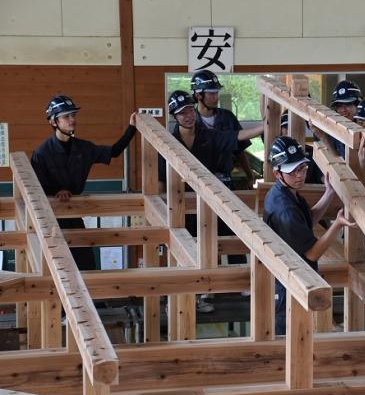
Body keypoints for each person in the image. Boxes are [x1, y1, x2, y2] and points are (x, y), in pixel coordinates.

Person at [263, 135, 355, 395]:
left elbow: (309, 220)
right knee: (291, 353)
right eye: (293, 171)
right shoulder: (283, 207)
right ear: (277, 172)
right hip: (288, 286)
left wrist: (329, 194)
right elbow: (313, 252)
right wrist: (337, 226)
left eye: (302, 168)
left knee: (295, 350)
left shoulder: (287, 194)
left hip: (293, 281)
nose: (300, 175)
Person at [31, 95, 137, 270]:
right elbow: (36, 187)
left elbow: (114, 151)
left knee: (86, 263)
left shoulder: (84, 148)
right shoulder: (41, 153)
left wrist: (132, 128)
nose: (72, 120)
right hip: (50, 217)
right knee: (56, 266)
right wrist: (56, 192)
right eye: (66, 116)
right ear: (53, 122)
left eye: (73, 115)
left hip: (75, 213)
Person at [158, 90, 238, 313]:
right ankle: (177, 300)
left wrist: (265, 126)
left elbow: (235, 137)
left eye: (190, 110)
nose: (188, 115)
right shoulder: (168, 141)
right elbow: (160, 181)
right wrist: (164, 210)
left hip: (207, 202)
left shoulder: (207, 135)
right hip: (180, 205)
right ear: (175, 116)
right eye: (182, 113)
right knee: (184, 251)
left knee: (210, 247)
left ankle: (206, 294)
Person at [191, 69, 263, 189]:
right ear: (198, 95)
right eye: (211, 94)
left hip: (226, 180)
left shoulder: (227, 117)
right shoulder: (190, 121)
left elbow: (240, 150)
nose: (216, 97)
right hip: (199, 183)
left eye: (217, 93)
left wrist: (249, 176)